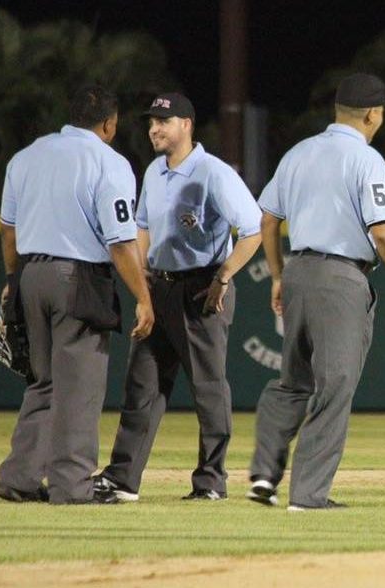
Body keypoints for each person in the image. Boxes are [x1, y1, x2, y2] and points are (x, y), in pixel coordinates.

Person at [246, 73, 385, 510]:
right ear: (373, 114)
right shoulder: (366, 159)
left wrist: (279, 275)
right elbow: (383, 232)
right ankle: (309, 494)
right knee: (334, 386)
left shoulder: (299, 152)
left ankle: (264, 473)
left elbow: (266, 218)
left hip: (298, 269)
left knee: (291, 383)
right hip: (341, 279)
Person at [95, 92, 263, 501]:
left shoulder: (212, 172)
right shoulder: (153, 172)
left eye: (162, 122)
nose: (154, 128)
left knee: (208, 389)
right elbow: (143, 230)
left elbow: (253, 229)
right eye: (151, 121)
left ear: (185, 124)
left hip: (202, 288)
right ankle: (122, 480)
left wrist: (224, 277)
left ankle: (210, 482)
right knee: (142, 387)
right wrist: (142, 289)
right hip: (160, 286)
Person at [0, 85, 154, 505]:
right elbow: (121, 243)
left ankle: (19, 478)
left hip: (30, 274)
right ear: (108, 124)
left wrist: (13, 281)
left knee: (43, 383)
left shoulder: (26, 156)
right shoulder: (109, 162)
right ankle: (72, 486)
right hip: (77, 279)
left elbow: (8, 230)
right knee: (79, 388)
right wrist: (143, 296)